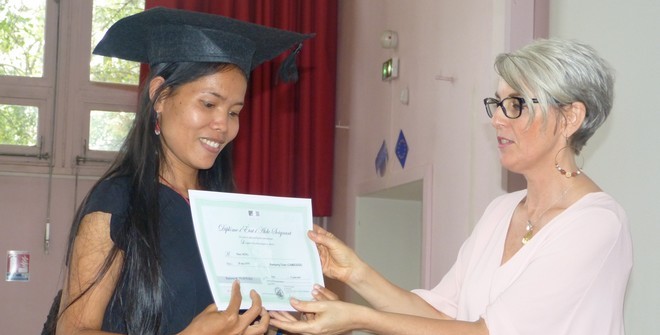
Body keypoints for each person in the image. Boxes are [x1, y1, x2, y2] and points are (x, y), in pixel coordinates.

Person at [269, 38, 633, 335]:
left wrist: (358, 317)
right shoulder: (501, 211)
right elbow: (440, 318)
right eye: (496, 103)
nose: (496, 119)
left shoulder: (597, 224)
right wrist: (355, 273)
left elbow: (486, 333)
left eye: (516, 104)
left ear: (571, 117)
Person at [47, 7, 313, 335]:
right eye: (209, 104)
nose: (223, 126)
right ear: (159, 94)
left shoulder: (231, 216)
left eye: (234, 112)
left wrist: (286, 321)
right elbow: (72, 331)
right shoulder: (116, 202)